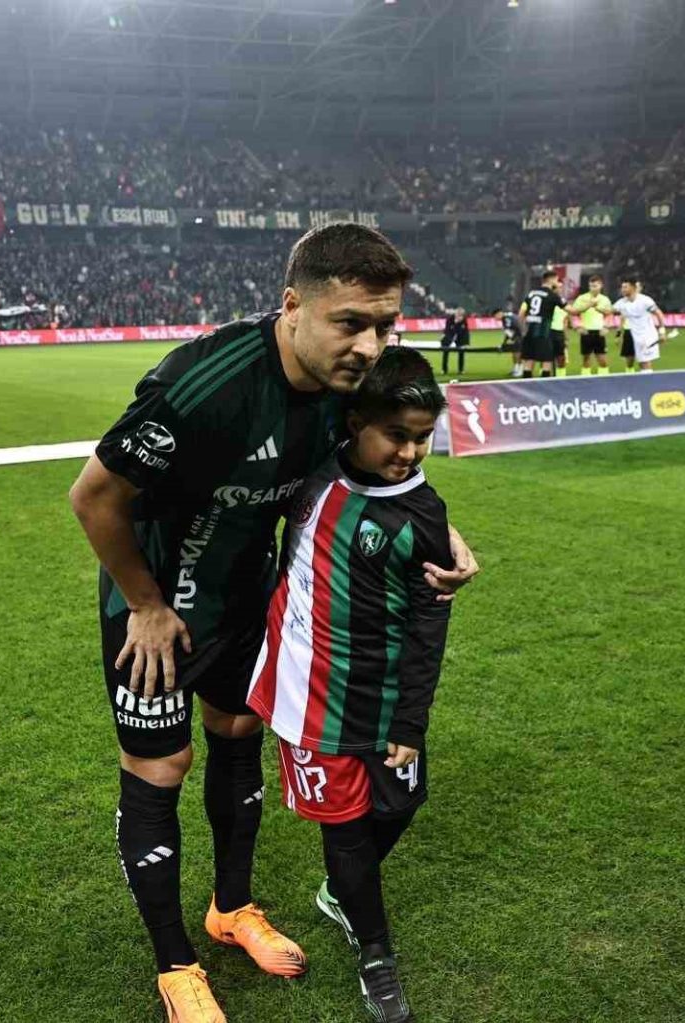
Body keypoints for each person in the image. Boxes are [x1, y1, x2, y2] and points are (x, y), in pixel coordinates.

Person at [68, 224, 478, 1023]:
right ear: (293, 306)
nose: (370, 346)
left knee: (237, 733)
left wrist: (444, 533)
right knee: (161, 765)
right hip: (155, 603)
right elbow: (94, 496)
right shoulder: (206, 382)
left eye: (385, 325)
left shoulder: (349, 390)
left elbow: (376, 471)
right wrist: (146, 604)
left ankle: (232, 909)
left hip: (249, 595)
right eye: (351, 322)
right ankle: (176, 965)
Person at [247, 346, 452, 1023]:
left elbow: (429, 626)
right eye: (396, 434)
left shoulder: (422, 514)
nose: (409, 452)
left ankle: (342, 890)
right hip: (307, 696)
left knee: (398, 805)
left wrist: (411, 718)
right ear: (356, 421)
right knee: (346, 829)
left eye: (422, 437)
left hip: (385, 698)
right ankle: (376, 954)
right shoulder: (311, 470)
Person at [614, 278, 667, 372]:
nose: (622, 289)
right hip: (632, 334)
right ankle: (634, 378)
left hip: (646, 336)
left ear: (634, 288)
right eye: (622, 287)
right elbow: (610, 311)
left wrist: (662, 332)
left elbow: (658, 313)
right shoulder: (622, 302)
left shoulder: (645, 300)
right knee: (636, 362)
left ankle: (648, 380)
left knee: (645, 363)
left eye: (625, 287)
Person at [518, 270, 562, 378]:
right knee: (547, 360)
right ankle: (545, 384)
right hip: (544, 332)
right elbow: (573, 311)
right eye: (557, 280)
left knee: (529, 360)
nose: (558, 282)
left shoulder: (531, 293)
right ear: (551, 280)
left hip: (530, 331)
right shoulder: (553, 296)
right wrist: (588, 305)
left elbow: (521, 313)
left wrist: (523, 328)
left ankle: (526, 385)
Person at [569, 275, 613, 375]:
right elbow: (574, 313)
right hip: (586, 331)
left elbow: (610, 314)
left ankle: (604, 380)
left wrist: (606, 327)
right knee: (586, 359)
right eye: (591, 286)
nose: (593, 288)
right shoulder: (582, 298)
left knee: (602, 360)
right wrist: (578, 327)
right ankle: (585, 381)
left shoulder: (605, 299)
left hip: (600, 332)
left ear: (601, 285)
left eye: (595, 286)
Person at [438, 307, 468, 379]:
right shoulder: (449, 319)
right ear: (455, 314)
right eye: (458, 315)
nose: (459, 317)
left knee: (461, 352)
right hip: (449, 337)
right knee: (445, 352)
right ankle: (444, 370)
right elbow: (447, 331)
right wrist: (450, 340)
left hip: (459, 339)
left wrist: (465, 343)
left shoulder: (464, 321)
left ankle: (461, 370)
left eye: (461, 315)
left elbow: (465, 333)